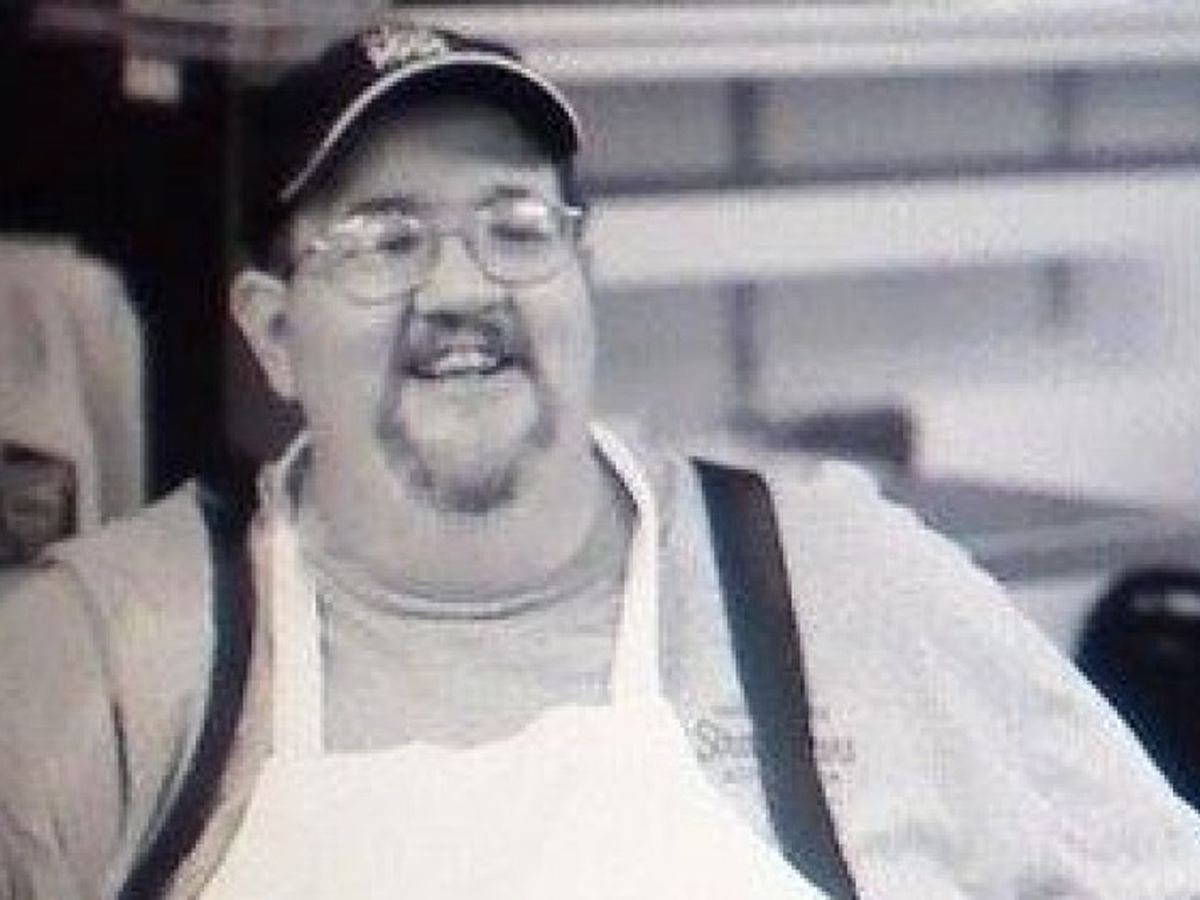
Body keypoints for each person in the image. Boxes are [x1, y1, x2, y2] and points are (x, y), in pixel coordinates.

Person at [2, 22, 1199, 899]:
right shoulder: (109, 653)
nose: (461, 288)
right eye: (385, 239)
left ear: (583, 277)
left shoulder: (847, 592)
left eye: (516, 227)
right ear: (273, 332)